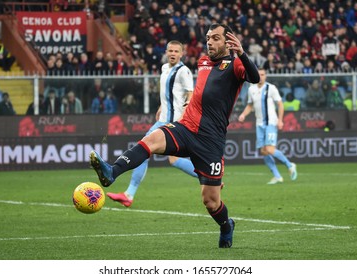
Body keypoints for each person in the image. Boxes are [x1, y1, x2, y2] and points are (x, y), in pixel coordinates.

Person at [90, 23, 260, 248]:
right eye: (208, 37)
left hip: (210, 141)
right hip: (186, 128)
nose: (209, 41)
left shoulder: (236, 65)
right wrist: (190, 102)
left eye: (216, 38)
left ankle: (226, 225)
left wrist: (242, 54)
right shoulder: (203, 62)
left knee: (210, 201)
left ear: (228, 42)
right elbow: (204, 91)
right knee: (151, 139)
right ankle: (112, 171)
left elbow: (255, 78)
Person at [107, 40, 197, 208]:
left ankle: (209, 177)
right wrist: (161, 106)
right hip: (162, 119)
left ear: (182, 53)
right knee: (146, 151)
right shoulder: (164, 68)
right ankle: (129, 194)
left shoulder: (184, 71)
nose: (172, 53)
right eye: (170, 50)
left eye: (176, 51)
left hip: (173, 121)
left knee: (163, 156)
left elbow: (190, 95)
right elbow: (169, 93)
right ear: (166, 51)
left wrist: (183, 117)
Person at [238, 68, 297, 185]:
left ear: (266, 76)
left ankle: (290, 165)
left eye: (263, 74)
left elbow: (280, 104)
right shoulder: (251, 89)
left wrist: (280, 120)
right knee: (264, 151)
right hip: (259, 124)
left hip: (271, 122)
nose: (260, 76)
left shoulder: (271, 88)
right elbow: (250, 105)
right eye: (258, 74)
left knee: (269, 149)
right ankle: (277, 176)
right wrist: (243, 114)